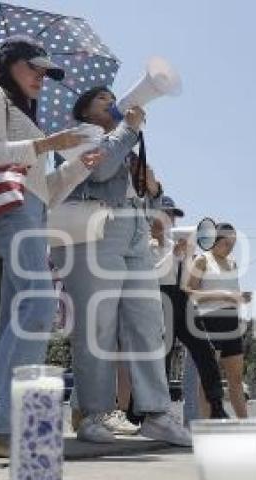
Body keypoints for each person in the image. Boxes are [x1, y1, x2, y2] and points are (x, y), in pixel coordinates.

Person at [0, 37, 105, 457]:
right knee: (39, 303)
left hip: (30, 213)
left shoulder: (27, 117)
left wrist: (79, 166)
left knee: (18, 314)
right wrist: (48, 146)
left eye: (46, 72)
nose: (41, 77)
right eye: (35, 68)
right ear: (9, 64)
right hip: (8, 213)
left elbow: (45, 191)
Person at [50, 86, 191, 446]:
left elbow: (143, 194)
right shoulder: (77, 135)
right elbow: (97, 173)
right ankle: (93, 413)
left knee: (147, 323)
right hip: (96, 230)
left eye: (115, 97)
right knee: (98, 325)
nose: (113, 103)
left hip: (134, 229)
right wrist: (128, 130)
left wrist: (154, 188)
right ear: (84, 109)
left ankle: (157, 413)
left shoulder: (123, 142)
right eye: (103, 99)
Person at [147, 197, 228, 419]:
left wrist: (188, 259)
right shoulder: (145, 244)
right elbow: (151, 275)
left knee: (205, 351)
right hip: (159, 298)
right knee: (164, 354)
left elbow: (186, 281)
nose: (170, 220)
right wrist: (174, 256)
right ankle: (158, 411)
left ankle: (216, 404)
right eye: (166, 214)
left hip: (181, 299)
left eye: (172, 216)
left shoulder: (176, 245)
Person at [186, 223, 251, 418]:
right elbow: (190, 292)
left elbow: (232, 294)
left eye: (233, 242)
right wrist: (221, 295)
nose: (230, 246)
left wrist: (240, 297)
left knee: (236, 378)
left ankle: (245, 424)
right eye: (226, 241)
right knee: (209, 378)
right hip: (209, 320)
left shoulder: (232, 263)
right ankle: (206, 426)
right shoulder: (202, 260)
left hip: (231, 321)